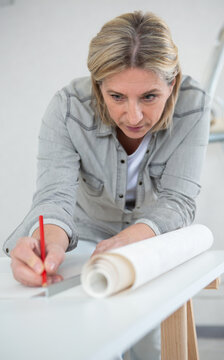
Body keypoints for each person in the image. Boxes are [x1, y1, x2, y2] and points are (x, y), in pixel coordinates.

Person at [3, 10, 210, 360]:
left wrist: (129, 240)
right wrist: (47, 242)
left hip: (150, 239)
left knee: (151, 342)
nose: (134, 117)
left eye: (149, 97)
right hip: (83, 236)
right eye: (116, 97)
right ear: (98, 85)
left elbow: (179, 201)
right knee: (85, 334)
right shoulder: (68, 108)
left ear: (172, 83)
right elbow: (55, 196)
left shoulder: (193, 105)